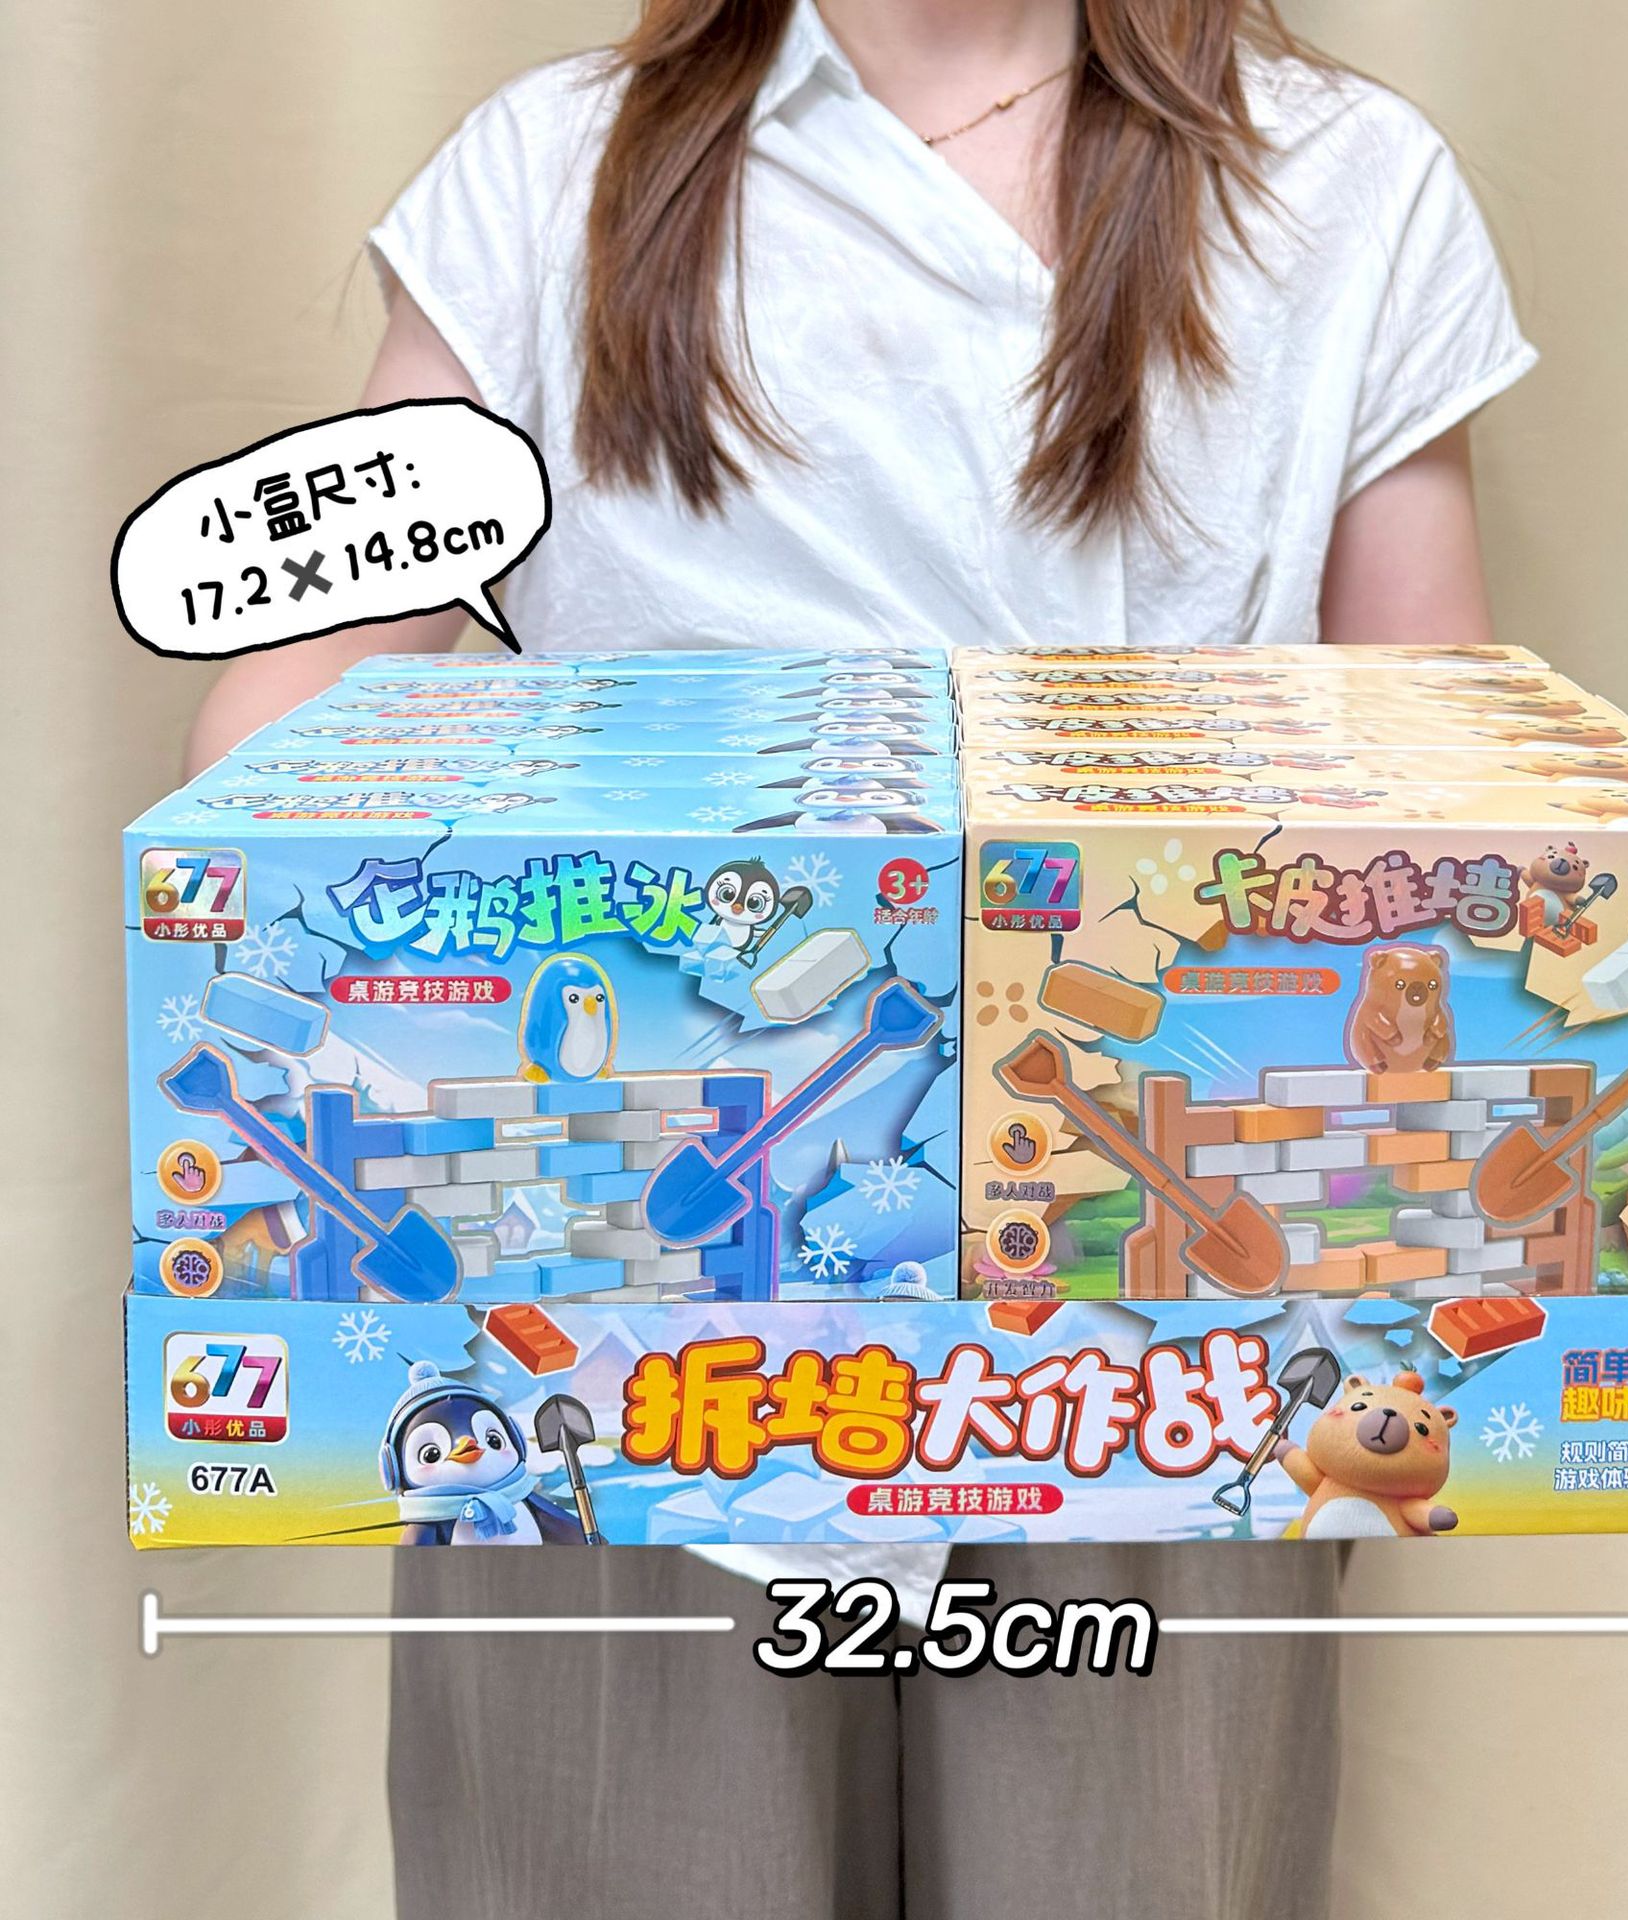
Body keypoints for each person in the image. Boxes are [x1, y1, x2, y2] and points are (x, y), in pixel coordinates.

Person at [187, 4, 1534, 1914]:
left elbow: (1442, 773)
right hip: (625, 1347)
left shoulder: (1345, 178)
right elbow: (296, 710)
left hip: (1160, 1349)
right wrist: (265, 927)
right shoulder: (549, 169)